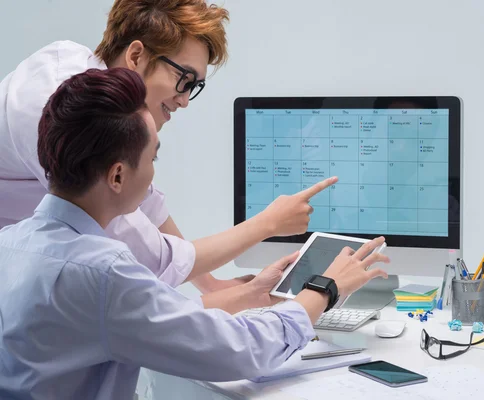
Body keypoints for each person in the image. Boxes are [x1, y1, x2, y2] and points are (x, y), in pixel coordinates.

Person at [0, 68, 389, 400]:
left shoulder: (12, 243)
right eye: (154, 157)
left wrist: (251, 294)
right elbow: (236, 350)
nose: (154, 172)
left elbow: (154, 319)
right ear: (118, 175)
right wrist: (323, 290)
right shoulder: (101, 271)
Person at [0, 0, 336, 294]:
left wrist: (212, 285)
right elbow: (149, 257)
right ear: (135, 55)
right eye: (184, 80)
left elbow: (144, 205)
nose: (185, 100)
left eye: (194, 87)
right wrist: (267, 224)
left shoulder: (92, 90)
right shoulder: (55, 110)